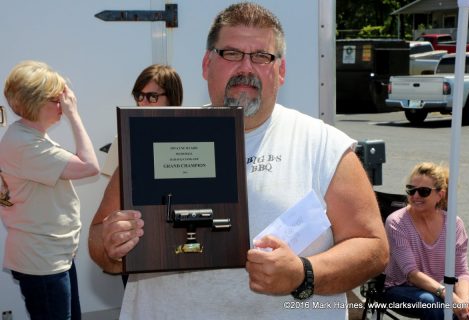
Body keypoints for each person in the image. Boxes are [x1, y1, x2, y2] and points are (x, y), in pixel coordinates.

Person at [88, 3, 388, 319]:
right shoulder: (154, 137)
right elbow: (99, 245)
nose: (246, 67)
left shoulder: (323, 145)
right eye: (231, 54)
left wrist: (304, 273)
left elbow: (372, 246)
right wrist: (110, 244)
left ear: (281, 71)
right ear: (206, 64)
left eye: (261, 56)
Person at [0, 60, 100, 319]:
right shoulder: (25, 145)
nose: (63, 104)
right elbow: (90, 166)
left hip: (52, 255)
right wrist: (74, 115)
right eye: (57, 99)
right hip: (42, 260)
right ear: (36, 102)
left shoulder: (29, 136)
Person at [98, 64, 183, 287]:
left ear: (172, 98)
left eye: (152, 96)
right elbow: (114, 200)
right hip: (137, 243)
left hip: (179, 244)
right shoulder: (125, 136)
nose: (143, 102)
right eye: (139, 95)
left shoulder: (189, 134)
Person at [383, 162, 469, 320]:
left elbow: (461, 272)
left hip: (440, 289)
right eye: (411, 190)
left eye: (423, 192)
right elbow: (412, 274)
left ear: (440, 195)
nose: (415, 196)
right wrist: (450, 298)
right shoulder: (396, 222)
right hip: (400, 287)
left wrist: (463, 303)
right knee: (434, 305)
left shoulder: (454, 224)